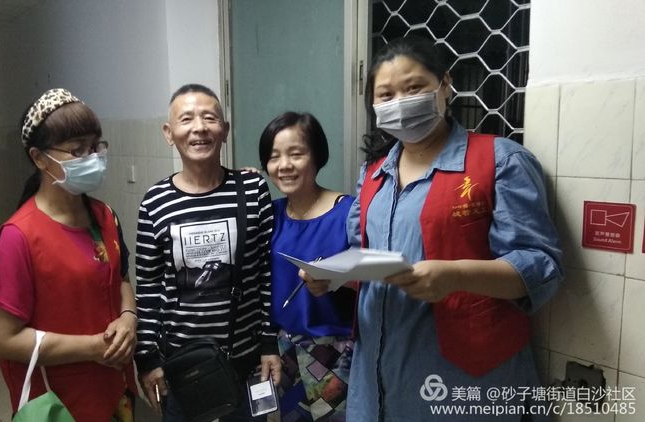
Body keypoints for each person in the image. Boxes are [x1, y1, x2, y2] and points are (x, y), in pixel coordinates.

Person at [303, 37, 564, 421]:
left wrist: (454, 276)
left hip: (463, 380)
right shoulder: (373, 175)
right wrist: (332, 276)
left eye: (414, 88)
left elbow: (541, 267)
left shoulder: (499, 161)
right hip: (376, 376)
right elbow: (367, 258)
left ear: (445, 84)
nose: (400, 103)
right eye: (386, 95)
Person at [0, 88, 137, 422]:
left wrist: (128, 317)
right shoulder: (19, 236)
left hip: (116, 389)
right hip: (61, 402)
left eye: (95, 147)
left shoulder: (105, 216)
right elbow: (0, 338)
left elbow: (121, 279)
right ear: (39, 158)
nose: (91, 157)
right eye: (77, 150)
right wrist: (93, 347)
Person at [134, 83, 282, 421]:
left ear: (225, 130)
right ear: (169, 133)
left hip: (244, 360)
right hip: (182, 366)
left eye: (210, 118)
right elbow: (148, 288)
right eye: (186, 119)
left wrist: (269, 342)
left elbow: (266, 273)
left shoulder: (252, 189)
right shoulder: (155, 202)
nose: (199, 127)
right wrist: (147, 359)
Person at [258, 112, 355, 421]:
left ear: (317, 156)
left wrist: (335, 279)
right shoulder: (269, 215)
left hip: (335, 353)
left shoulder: (349, 212)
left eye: (296, 154)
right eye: (274, 157)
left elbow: (374, 281)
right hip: (279, 353)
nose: (284, 165)